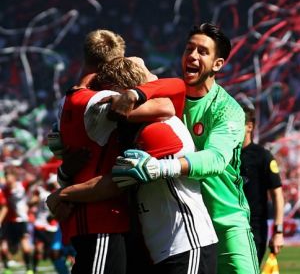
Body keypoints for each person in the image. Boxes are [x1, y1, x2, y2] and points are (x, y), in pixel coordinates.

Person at [111, 23, 260, 274]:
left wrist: (161, 167)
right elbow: (134, 72)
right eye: (189, 49)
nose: (192, 56)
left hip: (225, 223)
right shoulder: (166, 100)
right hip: (180, 226)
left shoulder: (228, 109)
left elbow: (215, 160)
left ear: (218, 64)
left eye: (202, 51)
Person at [47, 56, 218, 274]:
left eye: (109, 96)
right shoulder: (134, 127)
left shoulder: (156, 130)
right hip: (160, 249)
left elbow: (114, 183)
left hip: (186, 244)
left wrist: (63, 194)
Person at [49, 30, 177, 274]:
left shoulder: (66, 101)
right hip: (102, 220)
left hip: (91, 220)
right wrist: (137, 86)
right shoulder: (99, 101)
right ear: (113, 64)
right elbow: (166, 106)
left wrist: (64, 179)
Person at [240, 104, 284, 265]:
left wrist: (278, 231)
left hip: (255, 228)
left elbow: (277, 195)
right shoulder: (225, 155)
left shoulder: (263, 156)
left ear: (249, 127)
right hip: (227, 225)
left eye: (238, 123)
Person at [1, 165, 34, 274]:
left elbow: (34, 180)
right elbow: (4, 207)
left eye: (8, 176)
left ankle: (29, 269)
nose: (6, 178)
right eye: (5, 176)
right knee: (4, 248)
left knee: (26, 247)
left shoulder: (22, 186)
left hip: (21, 221)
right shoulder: (4, 191)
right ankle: (6, 268)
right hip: (8, 222)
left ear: (14, 176)